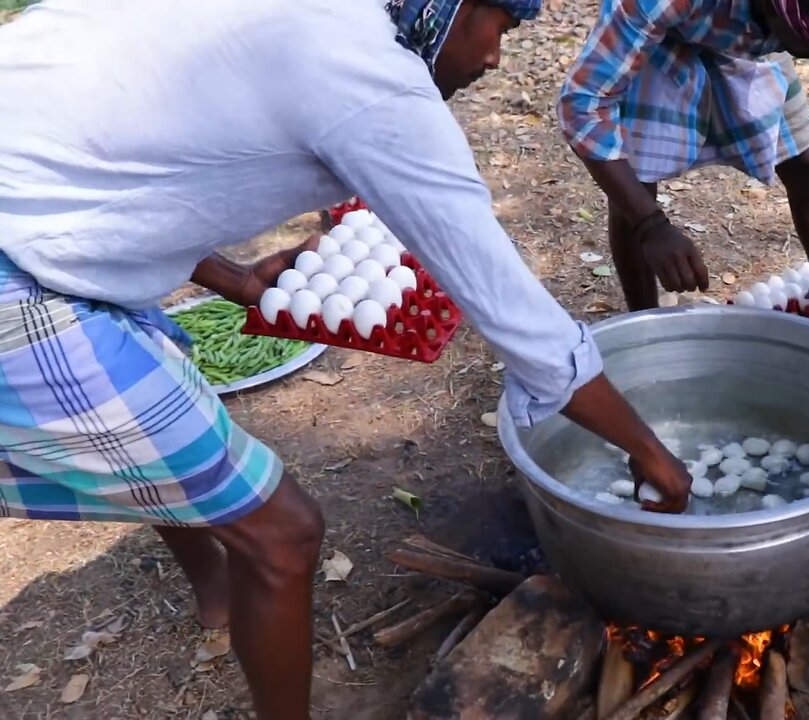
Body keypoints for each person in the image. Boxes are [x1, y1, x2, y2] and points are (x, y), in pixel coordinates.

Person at [0, 1, 692, 718]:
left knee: (165, 393)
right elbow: (521, 322)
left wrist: (235, 279)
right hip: (15, 268)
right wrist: (652, 454)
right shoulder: (372, 85)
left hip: (29, 205)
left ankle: (216, 594)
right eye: (500, 28)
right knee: (282, 533)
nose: (493, 59)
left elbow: (105, 161)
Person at [557, 0, 809, 313]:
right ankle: (646, 323)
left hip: (755, 37)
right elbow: (584, 105)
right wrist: (651, 226)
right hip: (659, 41)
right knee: (636, 181)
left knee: (804, 169)